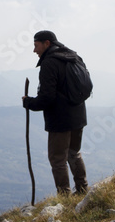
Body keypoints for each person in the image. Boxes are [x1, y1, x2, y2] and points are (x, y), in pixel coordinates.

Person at [21, 30, 89, 196]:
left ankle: (64, 196)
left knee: (57, 158)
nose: (34, 50)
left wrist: (29, 102)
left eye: (36, 45)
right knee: (74, 153)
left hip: (60, 120)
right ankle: (82, 190)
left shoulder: (49, 63)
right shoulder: (73, 57)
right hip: (78, 115)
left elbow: (47, 98)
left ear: (47, 43)